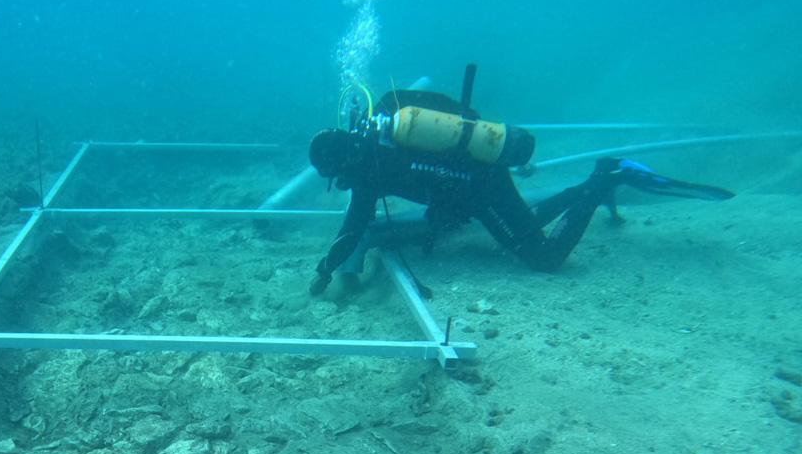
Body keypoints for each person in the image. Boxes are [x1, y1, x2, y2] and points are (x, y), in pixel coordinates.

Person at [307, 69, 736, 296]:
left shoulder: (367, 173)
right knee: (503, 220)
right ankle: (596, 182)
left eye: (335, 176)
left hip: (482, 189)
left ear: (341, 164)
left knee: (544, 258)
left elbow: (350, 233)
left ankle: (606, 177)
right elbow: (457, 114)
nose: (341, 182)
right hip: (472, 186)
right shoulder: (387, 124)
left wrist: (324, 275)